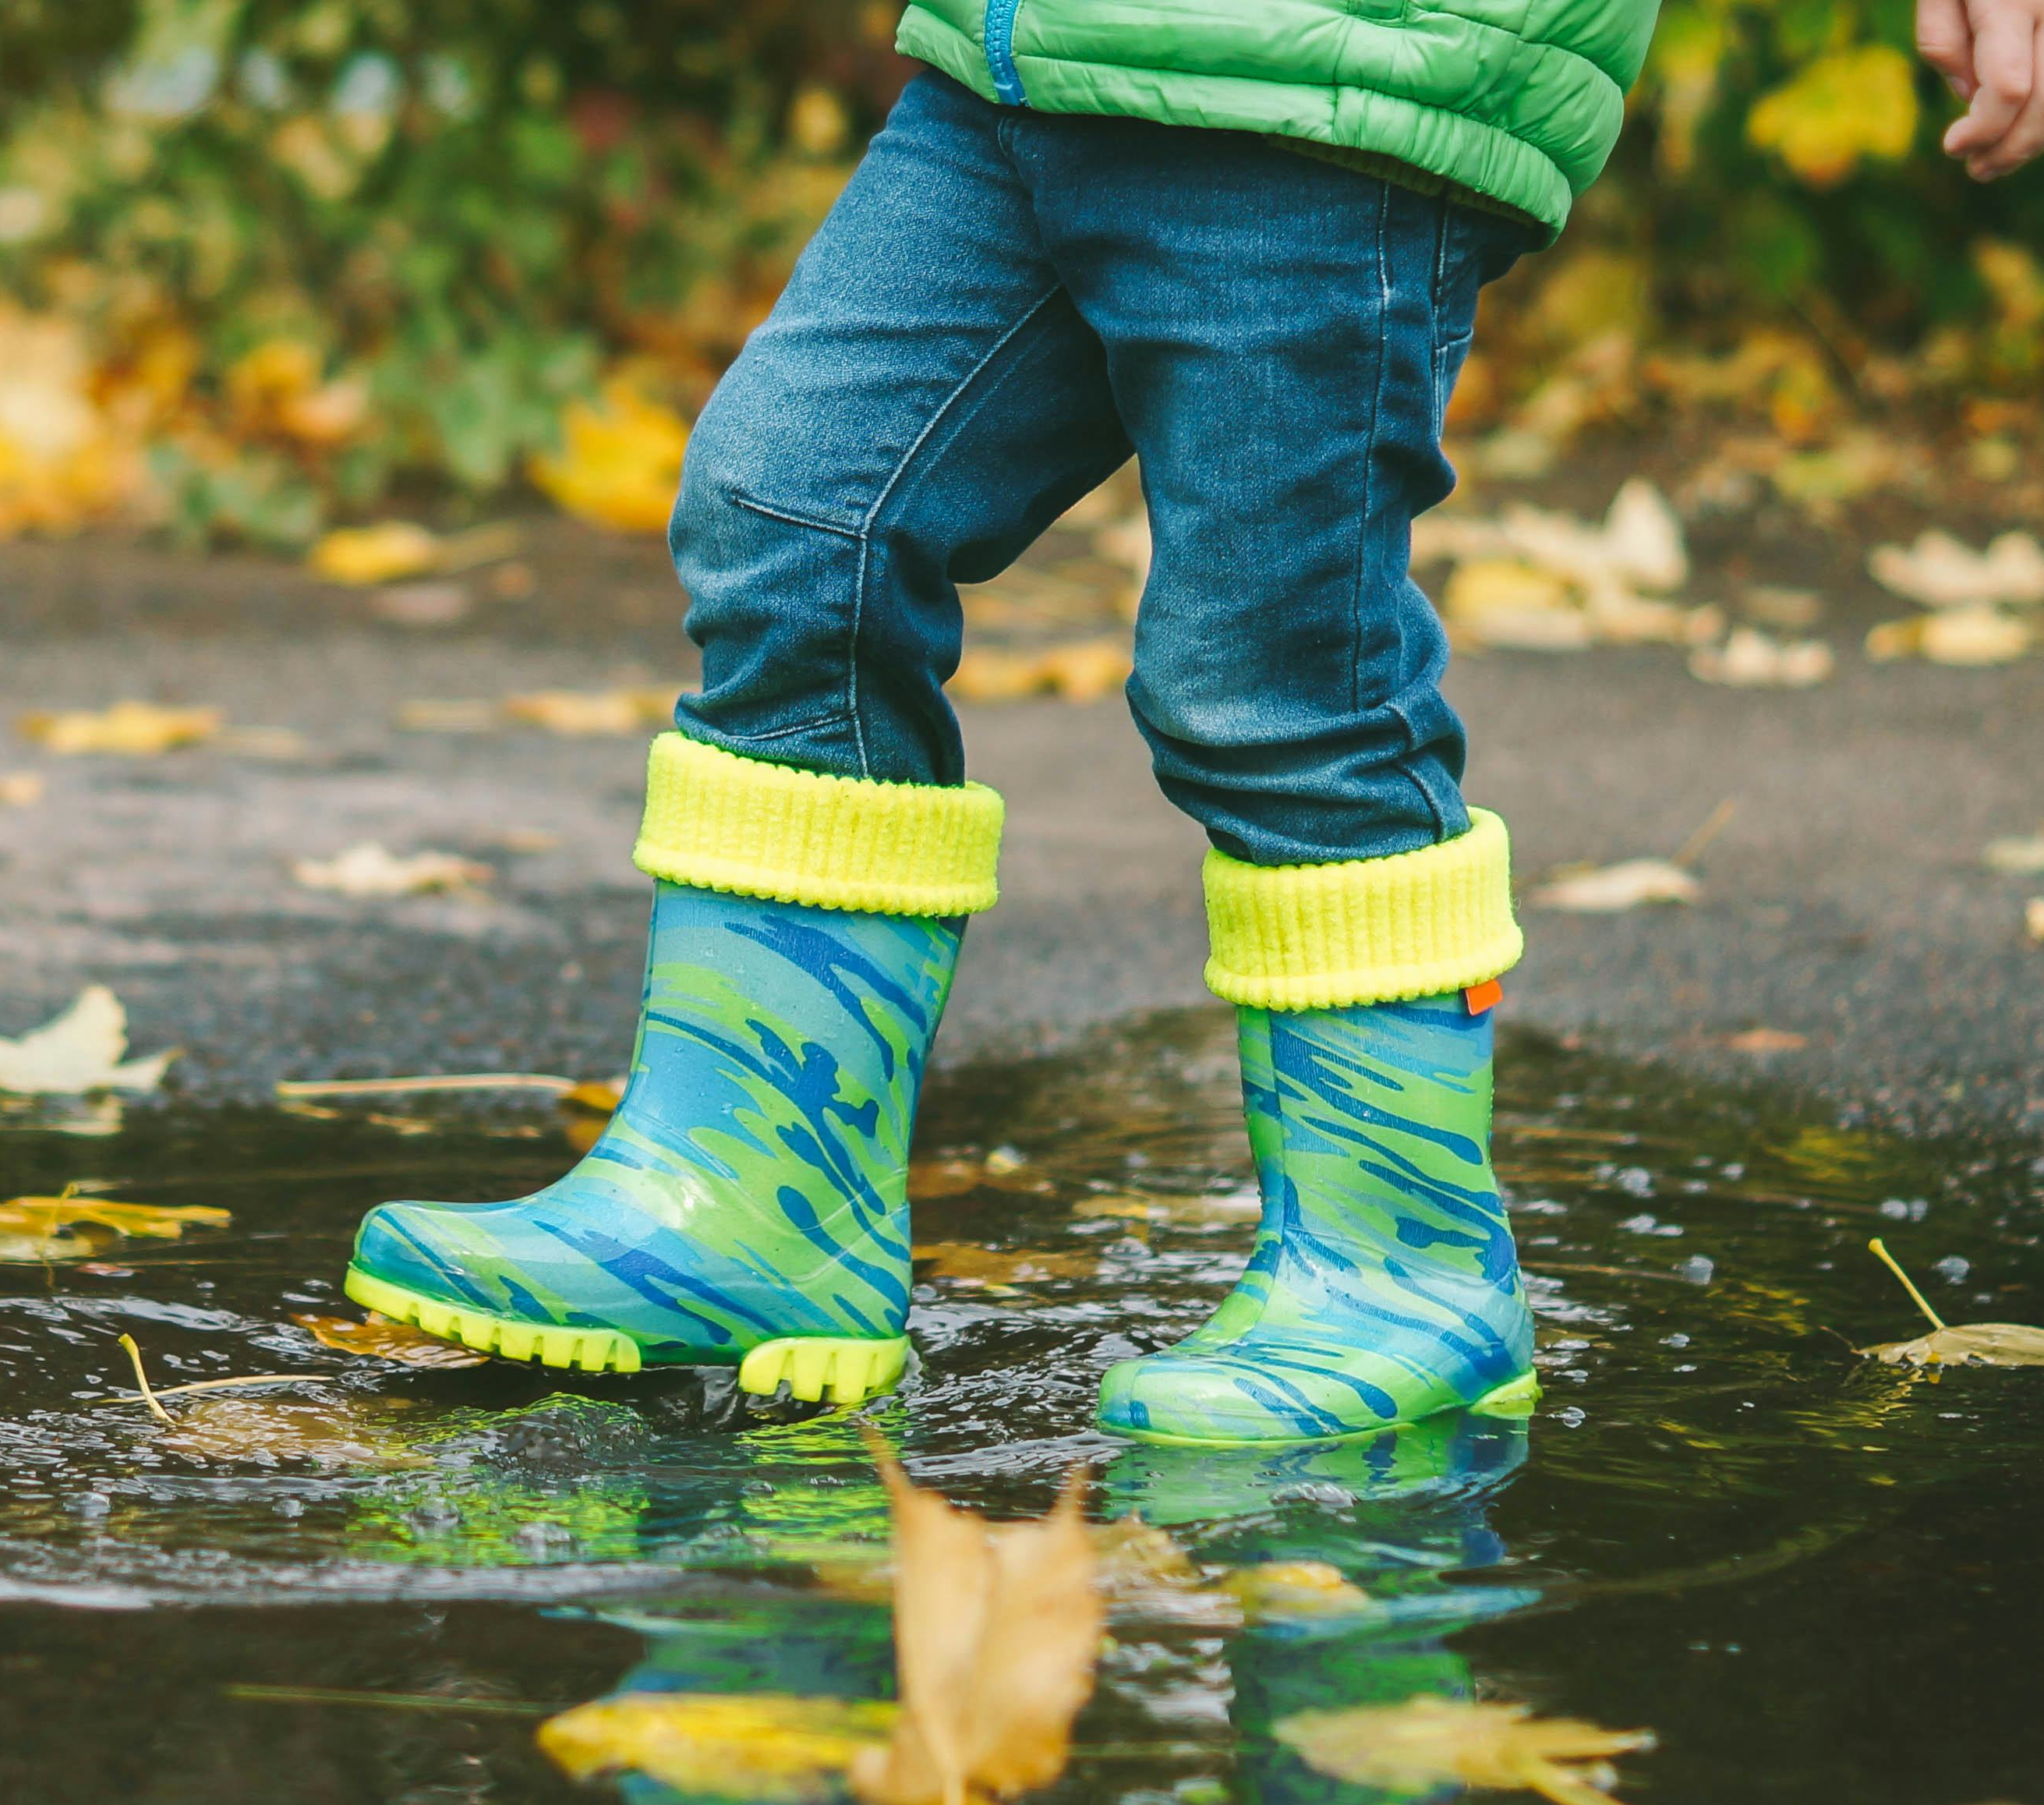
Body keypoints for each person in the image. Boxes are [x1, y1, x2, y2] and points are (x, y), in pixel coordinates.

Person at [335, 0, 2044, 1442]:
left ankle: (1400, 1266)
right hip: (1023, 62)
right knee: (794, 520)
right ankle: (750, 1198)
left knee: (1271, 674)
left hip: (1337, 85)